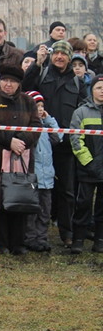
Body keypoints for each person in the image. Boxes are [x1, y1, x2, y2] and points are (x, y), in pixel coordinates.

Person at [22, 39, 86, 247]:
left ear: (69, 57)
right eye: (56, 53)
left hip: (65, 145)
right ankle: (35, 232)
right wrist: (37, 64)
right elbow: (25, 87)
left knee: (67, 190)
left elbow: (83, 107)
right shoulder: (42, 73)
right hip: (41, 144)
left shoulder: (77, 81)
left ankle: (66, 232)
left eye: (64, 54)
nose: (59, 57)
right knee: (37, 188)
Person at [0, 64, 41, 254]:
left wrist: (22, 142)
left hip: (22, 159)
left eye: (13, 82)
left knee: (20, 198)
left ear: (19, 84)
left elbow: (36, 126)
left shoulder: (28, 102)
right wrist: (10, 140)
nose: (8, 85)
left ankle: (18, 242)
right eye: (6, 80)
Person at [69, 75, 103, 253]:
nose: (102, 91)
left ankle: (100, 240)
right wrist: (88, 162)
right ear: (92, 90)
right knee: (83, 203)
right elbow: (75, 139)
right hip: (87, 168)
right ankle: (78, 239)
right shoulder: (81, 112)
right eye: (98, 87)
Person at [23, 91, 60, 252]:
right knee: (32, 210)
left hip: (47, 178)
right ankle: (30, 238)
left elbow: (59, 137)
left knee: (45, 210)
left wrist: (49, 119)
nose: (39, 109)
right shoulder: (28, 128)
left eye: (41, 106)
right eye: (36, 106)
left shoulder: (46, 128)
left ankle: (42, 237)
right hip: (33, 177)